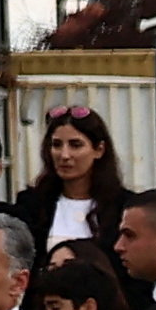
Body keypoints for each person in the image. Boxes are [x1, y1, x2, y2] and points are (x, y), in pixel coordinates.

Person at [23, 109, 135, 265]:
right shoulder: (32, 203)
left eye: (75, 145)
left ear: (99, 150)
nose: (64, 155)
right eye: (56, 145)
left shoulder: (125, 206)